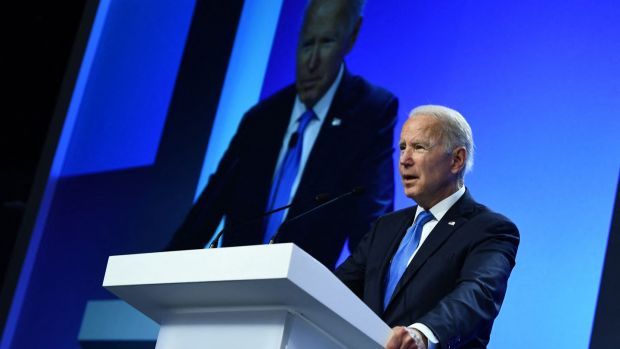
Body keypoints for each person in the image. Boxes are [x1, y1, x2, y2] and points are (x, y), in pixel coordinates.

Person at [166, 0, 397, 270]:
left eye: (326, 43)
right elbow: (205, 214)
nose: (311, 63)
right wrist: (160, 273)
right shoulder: (260, 119)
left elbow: (373, 228)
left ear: (352, 35)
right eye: (306, 44)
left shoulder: (369, 112)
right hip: (231, 286)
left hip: (299, 297)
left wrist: (367, 296)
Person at [336, 105, 519, 348]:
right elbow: (337, 289)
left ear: (456, 160)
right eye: (402, 147)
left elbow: (477, 294)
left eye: (419, 147)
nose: (404, 160)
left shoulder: (490, 229)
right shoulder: (386, 227)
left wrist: (423, 334)